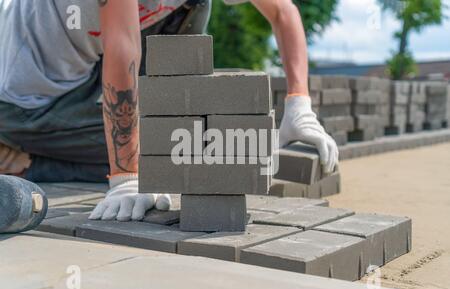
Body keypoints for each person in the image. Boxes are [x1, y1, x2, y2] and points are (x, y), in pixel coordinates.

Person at [0, 0, 338, 222]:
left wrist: (299, 104)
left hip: (85, 64)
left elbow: (283, 12)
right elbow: (122, 47)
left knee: (174, 142)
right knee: (162, 149)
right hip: (26, 94)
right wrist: (126, 178)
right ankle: (19, 160)